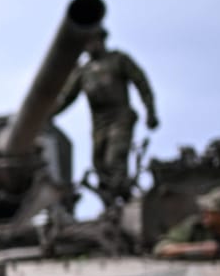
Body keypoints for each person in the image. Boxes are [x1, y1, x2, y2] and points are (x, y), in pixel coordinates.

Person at [53, 27, 158, 202]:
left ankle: (124, 199)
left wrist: (150, 111)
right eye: (85, 44)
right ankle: (111, 204)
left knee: (114, 160)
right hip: (99, 123)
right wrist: (47, 116)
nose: (89, 46)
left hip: (120, 117)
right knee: (100, 166)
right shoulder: (83, 71)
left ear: (101, 40)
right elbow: (66, 98)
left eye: (92, 41)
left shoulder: (118, 60)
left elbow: (141, 83)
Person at [153, 185, 220, 260]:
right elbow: (161, 249)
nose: (205, 212)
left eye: (211, 210)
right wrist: (199, 248)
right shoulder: (195, 226)